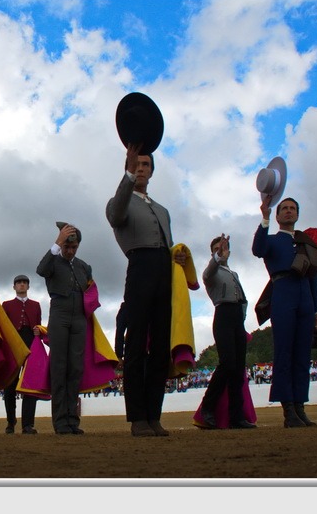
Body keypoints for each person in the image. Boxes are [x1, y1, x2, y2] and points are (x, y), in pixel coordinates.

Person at [106, 146, 186, 437]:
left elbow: (169, 244)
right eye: (136, 164)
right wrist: (126, 173)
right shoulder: (119, 201)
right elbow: (116, 216)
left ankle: (154, 415)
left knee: (161, 346)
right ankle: (138, 418)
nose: (141, 168)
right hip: (139, 267)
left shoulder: (163, 210)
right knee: (137, 344)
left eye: (146, 164)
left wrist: (176, 258)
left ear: (152, 171)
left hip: (163, 270)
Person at [252, 197, 317, 428]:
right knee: (284, 351)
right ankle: (288, 410)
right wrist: (263, 217)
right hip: (282, 292)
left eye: (293, 208)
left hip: (305, 297)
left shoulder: (306, 244)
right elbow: (257, 249)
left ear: (297, 214)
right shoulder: (271, 240)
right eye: (285, 209)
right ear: (278, 216)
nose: (289, 212)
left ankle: (300, 407)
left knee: (303, 354)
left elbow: (312, 275)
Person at [36, 223, 92, 435]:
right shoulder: (53, 260)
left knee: (75, 368)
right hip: (59, 315)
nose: (70, 251)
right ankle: (60, 422)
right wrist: (57, 242)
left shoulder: (84, 266)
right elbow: (41, 270)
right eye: (67, 247)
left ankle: (72, 420)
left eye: (74, 247)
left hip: (78, 317)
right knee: (59, 367)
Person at [197, 234, 256, 430]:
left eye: (223, 248)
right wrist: (217, 257)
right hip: (222, 314)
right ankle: (207, 406)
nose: (220, 251)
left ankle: (236, 416)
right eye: (216, 249)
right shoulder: (212, 272)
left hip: (236, 317)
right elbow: (207, 273)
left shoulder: (234, 274)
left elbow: (244, 299)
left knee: (238, 369)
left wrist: (243, 317)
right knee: (227, 363)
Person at [0, 274, 42, 435]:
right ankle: (11, 421)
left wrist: (39, 330)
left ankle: (28, 424)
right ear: (14, 287)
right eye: (19, 283)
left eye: (24, 283)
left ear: (28, 287)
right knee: (10, 384)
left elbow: (38, 324)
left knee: (30, 383)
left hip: (31, 343)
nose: (22, 285)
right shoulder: (7, 305)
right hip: (13, 344)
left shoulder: (36, 305)